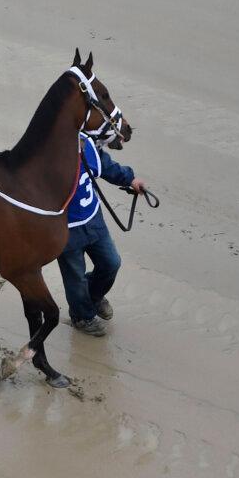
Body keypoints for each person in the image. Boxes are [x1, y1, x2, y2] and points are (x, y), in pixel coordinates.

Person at [58, 130, 146, 336]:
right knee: (75, 278)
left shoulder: (86, 142)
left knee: (111, 263)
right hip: (65, 231)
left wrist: (130, 179)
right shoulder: (45, 152)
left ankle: (93, 297)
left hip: (93, 220)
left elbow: (104, 164)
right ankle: (82, 317)